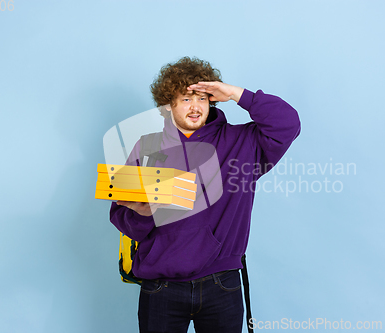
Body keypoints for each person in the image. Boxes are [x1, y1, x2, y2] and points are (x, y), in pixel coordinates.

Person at [109, 57, 301, 333]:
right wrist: (142, 214)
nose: (196, 106)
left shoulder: (242, 143)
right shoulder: (147, 147)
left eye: (202, 97)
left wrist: (237, 95)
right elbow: (120, 214)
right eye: (186, 98)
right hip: (161, 287)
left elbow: (287, 123)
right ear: (168, 105)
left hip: (221, 283)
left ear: (213, 100)